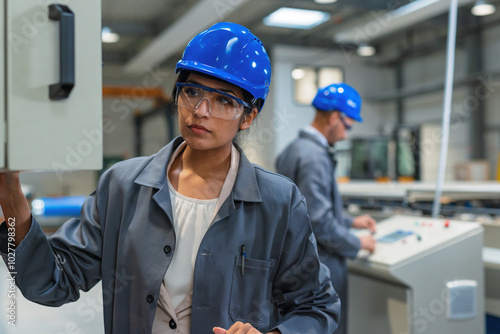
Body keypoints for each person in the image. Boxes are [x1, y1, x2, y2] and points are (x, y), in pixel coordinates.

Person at [0, 23, 340, 334]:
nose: (201, 111)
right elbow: (53, 280)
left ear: (248, 116)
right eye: (192, 91)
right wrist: (10, 191)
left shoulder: (278, 202)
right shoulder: (122, 186)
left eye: (223, 100)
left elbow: (317, 306)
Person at [276, 83, 377, 334]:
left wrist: (351, 221)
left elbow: (306, 206)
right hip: (320, 263)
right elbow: (319, 221)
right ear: (334, 117)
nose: (345, 135)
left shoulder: (292, 150)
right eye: (348, 125)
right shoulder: (315, 157)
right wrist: (357, 242)